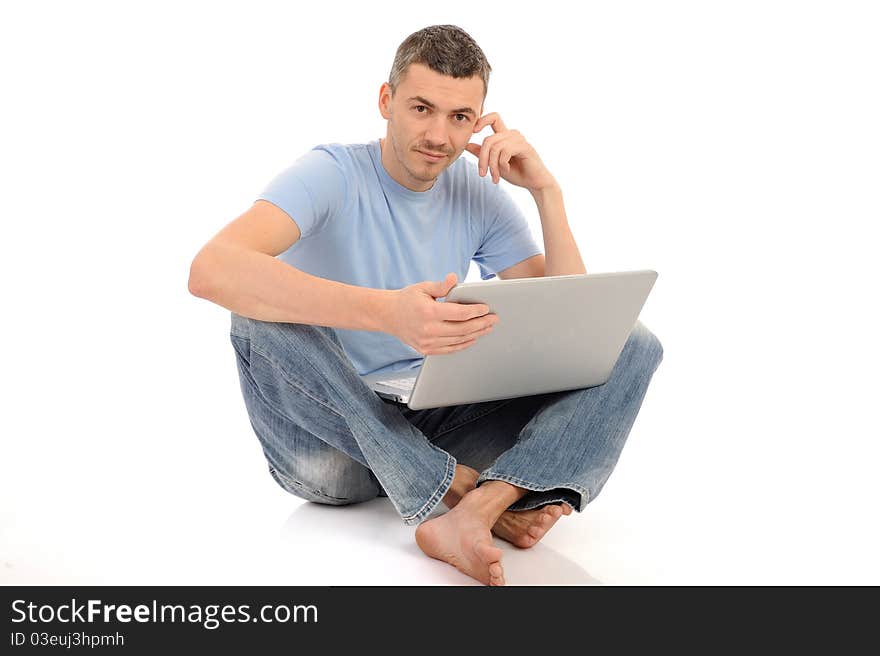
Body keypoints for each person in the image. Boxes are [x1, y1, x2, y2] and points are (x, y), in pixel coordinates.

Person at [188, 24, 664, 586]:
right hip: (331, 447)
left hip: (433, 423)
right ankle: (464, 488)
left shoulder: (477, 192)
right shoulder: (331, 174)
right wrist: (387, 313)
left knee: (630, 342)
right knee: (254, 320)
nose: (439, 134)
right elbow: (210, 269)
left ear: (480, 120)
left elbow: (577, 333)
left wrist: (546, 194)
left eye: (460, 117)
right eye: (421, 108)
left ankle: (479, 511)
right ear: (387, 102)